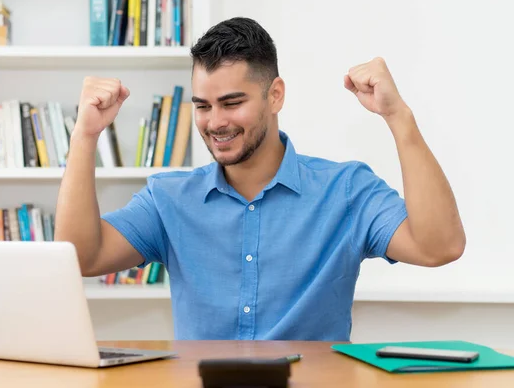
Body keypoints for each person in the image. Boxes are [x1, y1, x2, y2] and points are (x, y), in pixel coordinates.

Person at [54, 17, 466, 341]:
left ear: (275, 95)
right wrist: (85, 134)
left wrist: (398, 117)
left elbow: (440, 247)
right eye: (203, 106)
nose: (215, 122)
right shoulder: (168, 198)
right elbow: (82, 257)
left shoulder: (346, 191)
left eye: (232, 103)